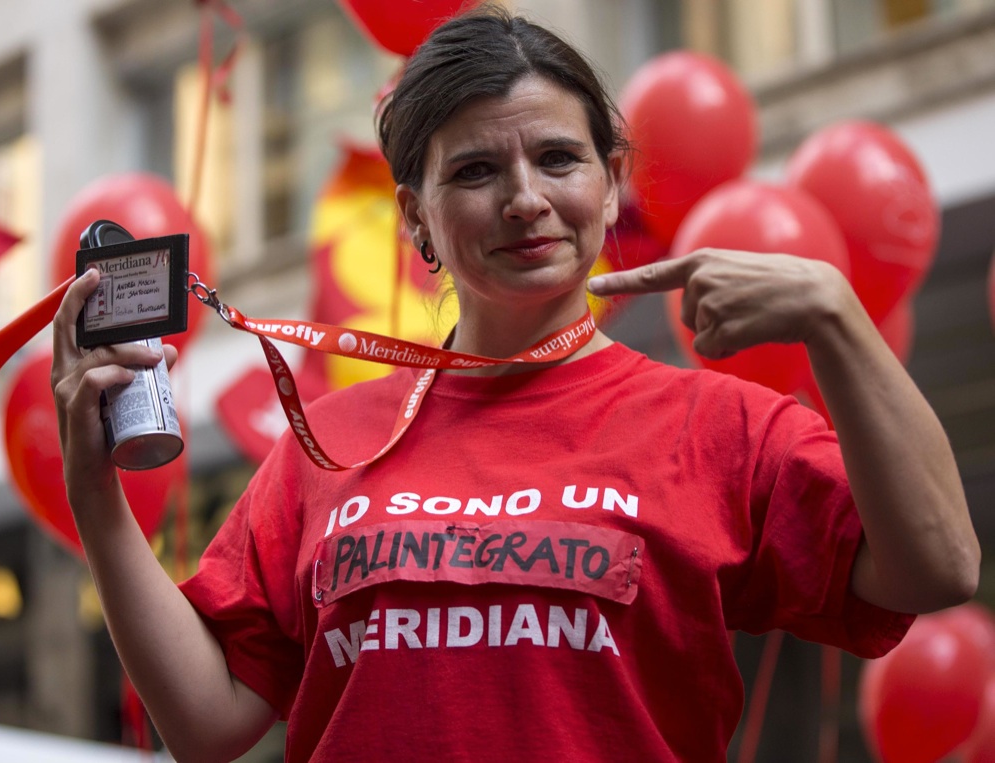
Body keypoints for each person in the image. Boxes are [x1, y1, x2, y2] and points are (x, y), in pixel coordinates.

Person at [51, 6, 980, 762]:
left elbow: (938, 566)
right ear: (417, 216)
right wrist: (94, 489)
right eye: (476, 171)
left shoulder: (719, 427)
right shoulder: (324, 443)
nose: (526, 199)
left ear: (611, 184)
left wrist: (836, 316)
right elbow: (207, 722)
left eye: (559, 159)